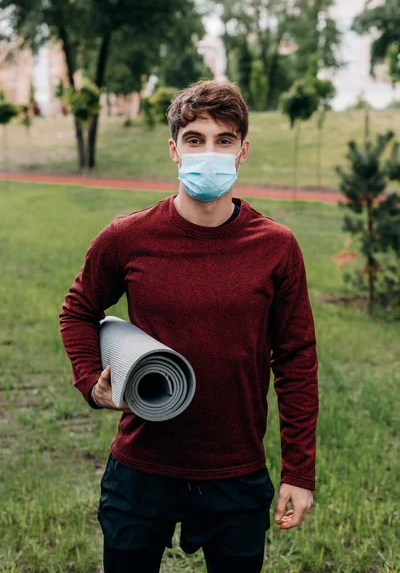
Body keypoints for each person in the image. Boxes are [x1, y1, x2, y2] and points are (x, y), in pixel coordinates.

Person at [59, 80, 319, 573]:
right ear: (174, 149)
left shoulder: (277, 247)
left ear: (243, 151)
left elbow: (296, 361)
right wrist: (89, 380)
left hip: (237, 470)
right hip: (141, 465)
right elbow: (77, 309)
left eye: (224, 140)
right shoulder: (126, 237)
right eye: (195, 139)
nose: (210, 151)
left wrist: (299, 472)